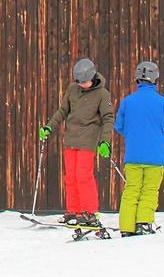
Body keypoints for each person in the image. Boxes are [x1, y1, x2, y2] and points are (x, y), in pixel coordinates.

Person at [37, 58, 115, 226]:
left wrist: (105, 142)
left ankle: (89, 212)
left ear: (92, 77)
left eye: (85, 82)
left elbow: (108, 118)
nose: (82, 85)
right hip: (71, 138)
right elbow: (63, 111)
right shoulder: (73, 89)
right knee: (70, 177)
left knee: (83, 175)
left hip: (88, 139)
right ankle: (73, 211)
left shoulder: (102, 94)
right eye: (79, 82)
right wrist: (49, 127)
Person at [113, 60, 164, 235]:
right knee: (149, 190)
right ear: (155, 79)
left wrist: (133, 135)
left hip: (133, 155)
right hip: (155, 157)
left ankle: (126, 227)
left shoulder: (127, 102)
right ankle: (144, 223)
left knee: (131, 190)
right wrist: (156, 138)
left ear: (137, 80)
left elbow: (118, 126)